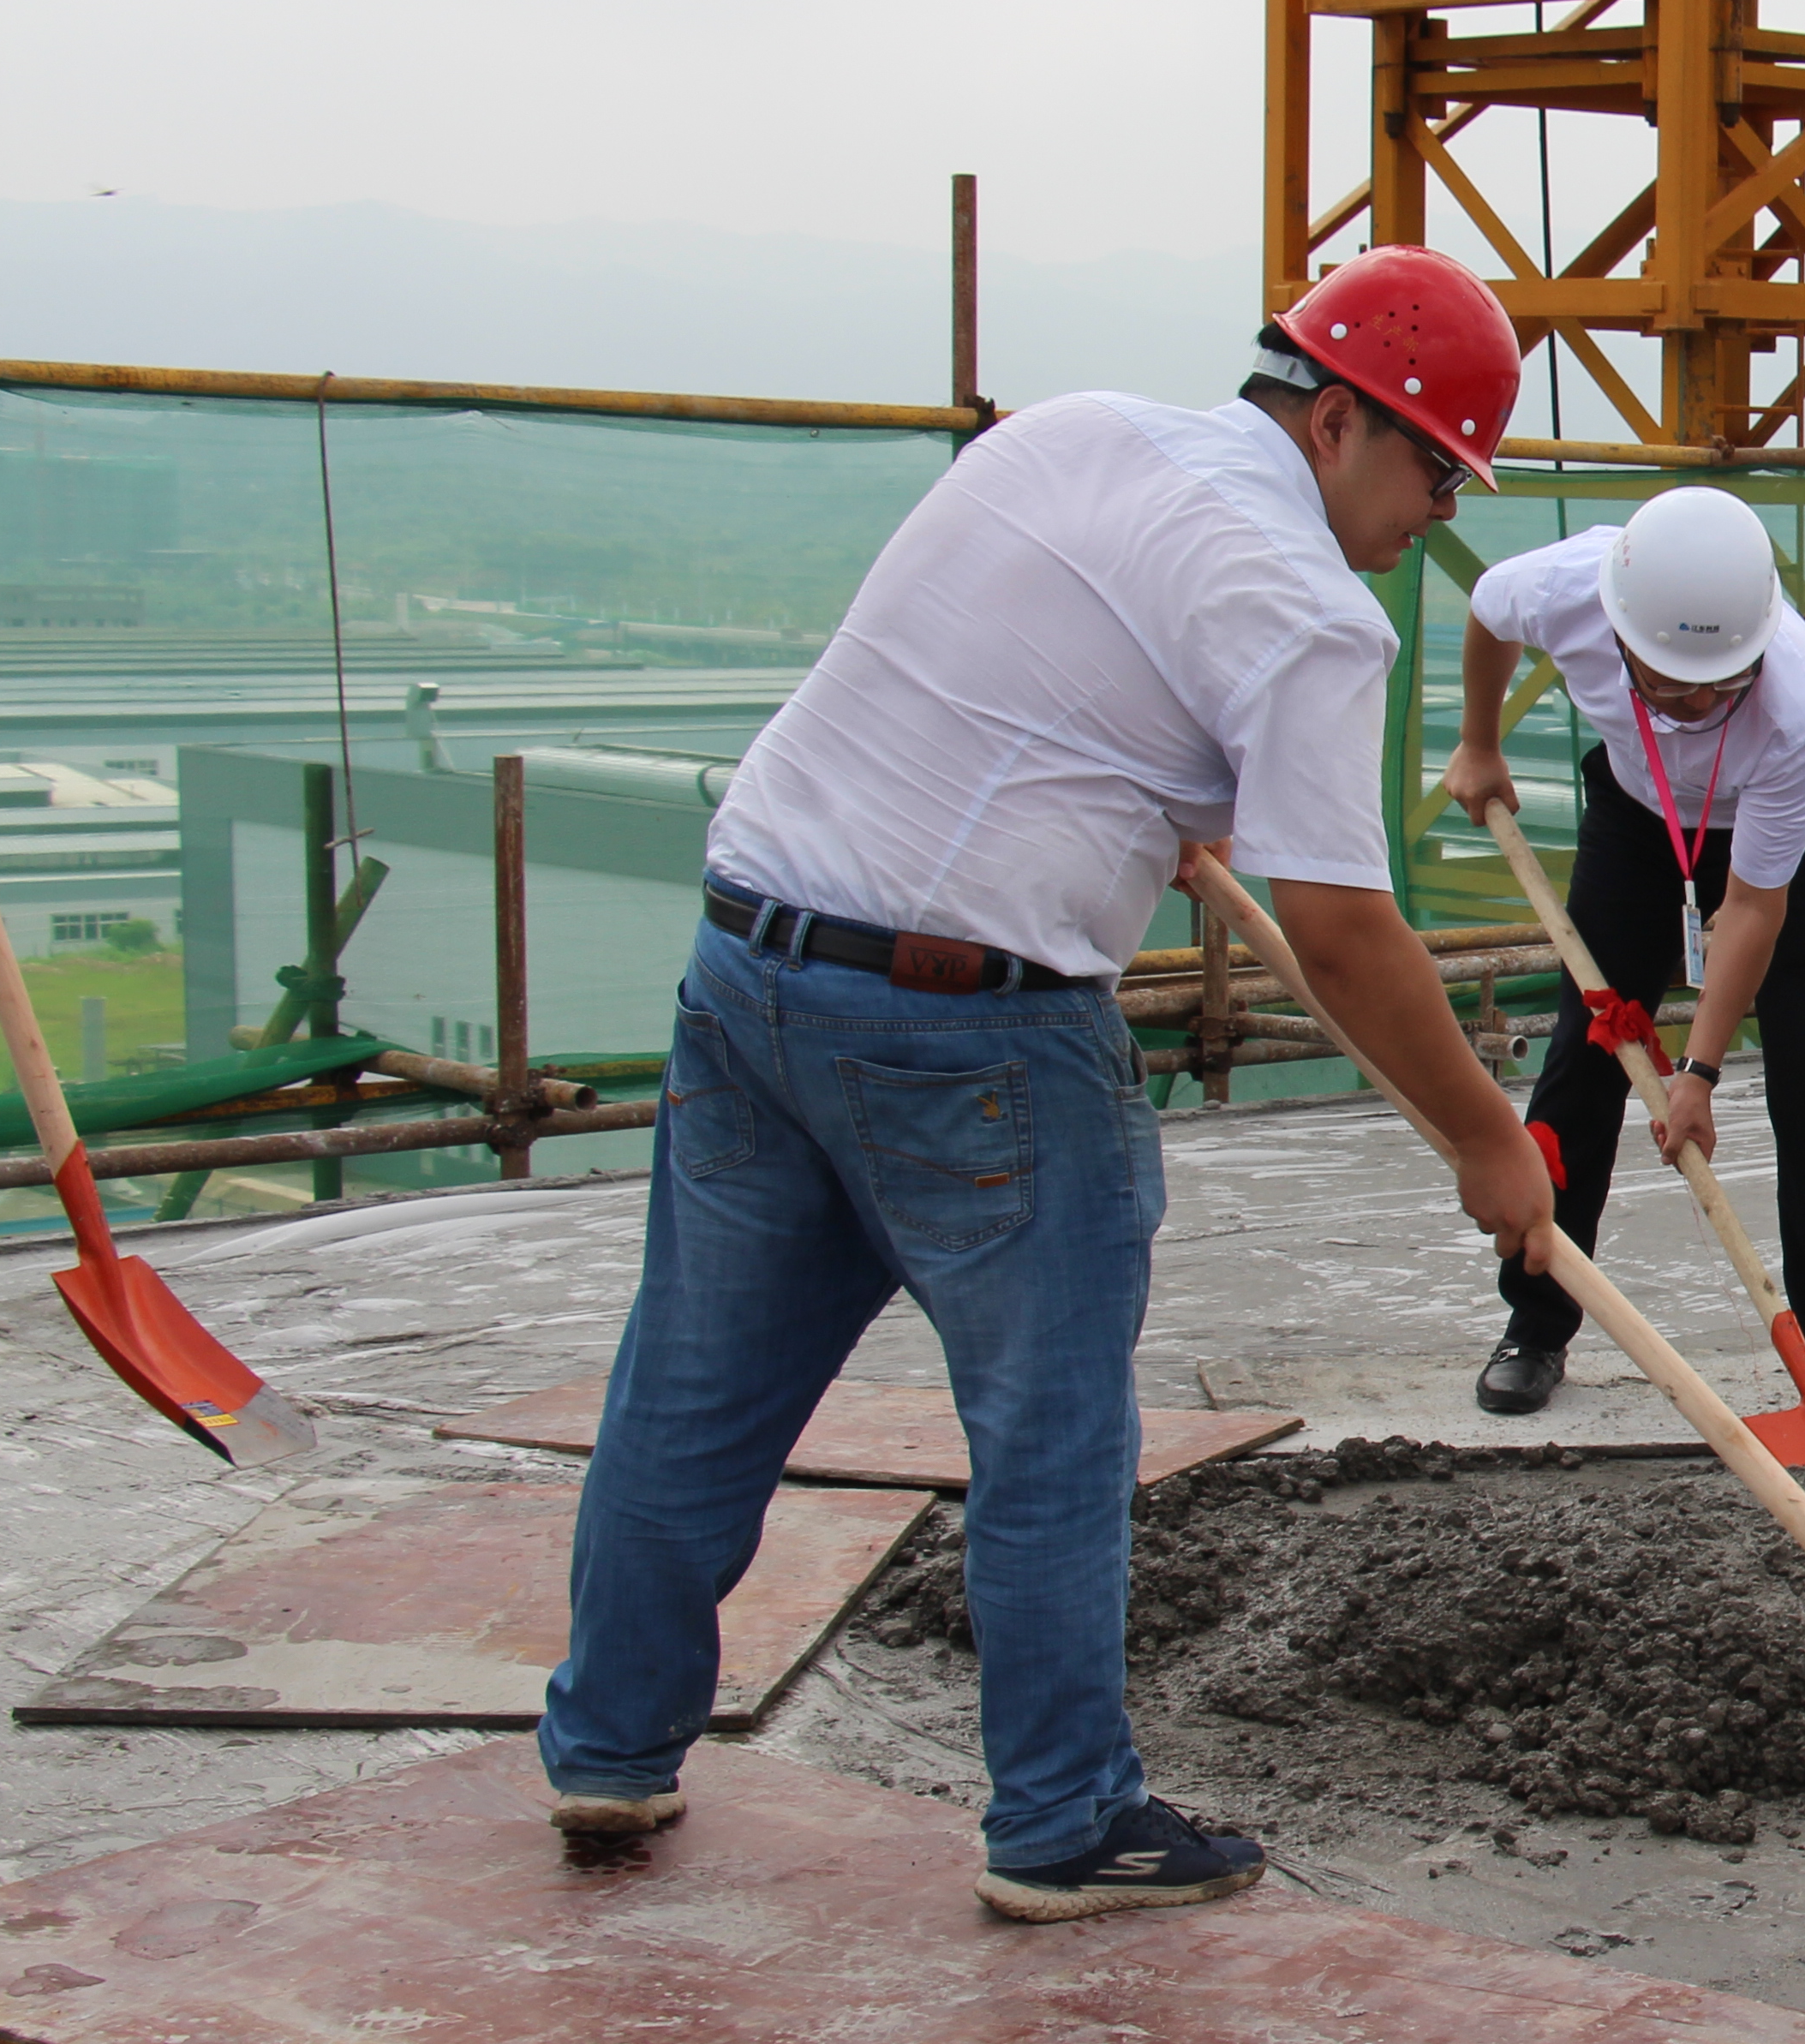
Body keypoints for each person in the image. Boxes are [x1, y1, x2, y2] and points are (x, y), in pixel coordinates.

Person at [535, 246, 1561, 1917]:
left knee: (694, 1388)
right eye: (1437, 469)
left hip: (751, 968)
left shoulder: (1062, 437)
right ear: (1339, 425)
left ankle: (608, 1743)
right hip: (970, 1037)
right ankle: (1065, 1819)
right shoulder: (1305, 606)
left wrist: (1143, 811)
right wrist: (1485, 1140)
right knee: (1056, 1432)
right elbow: (1345, 931)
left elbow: (1028, 699)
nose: (1435, 516)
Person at [1442, 487, 1805, 1413]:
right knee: (1586, 1053)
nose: (1703, 701)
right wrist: (1480, 744)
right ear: (1621, 632)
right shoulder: (1568, 588)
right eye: (1674, 682)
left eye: (1725, 681)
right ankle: (1537, 1321)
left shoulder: (1791, 709)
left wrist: (1699, 1072)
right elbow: (1487, 611)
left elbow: (1752, 907)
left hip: (1794, 826)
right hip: (1643, 816)